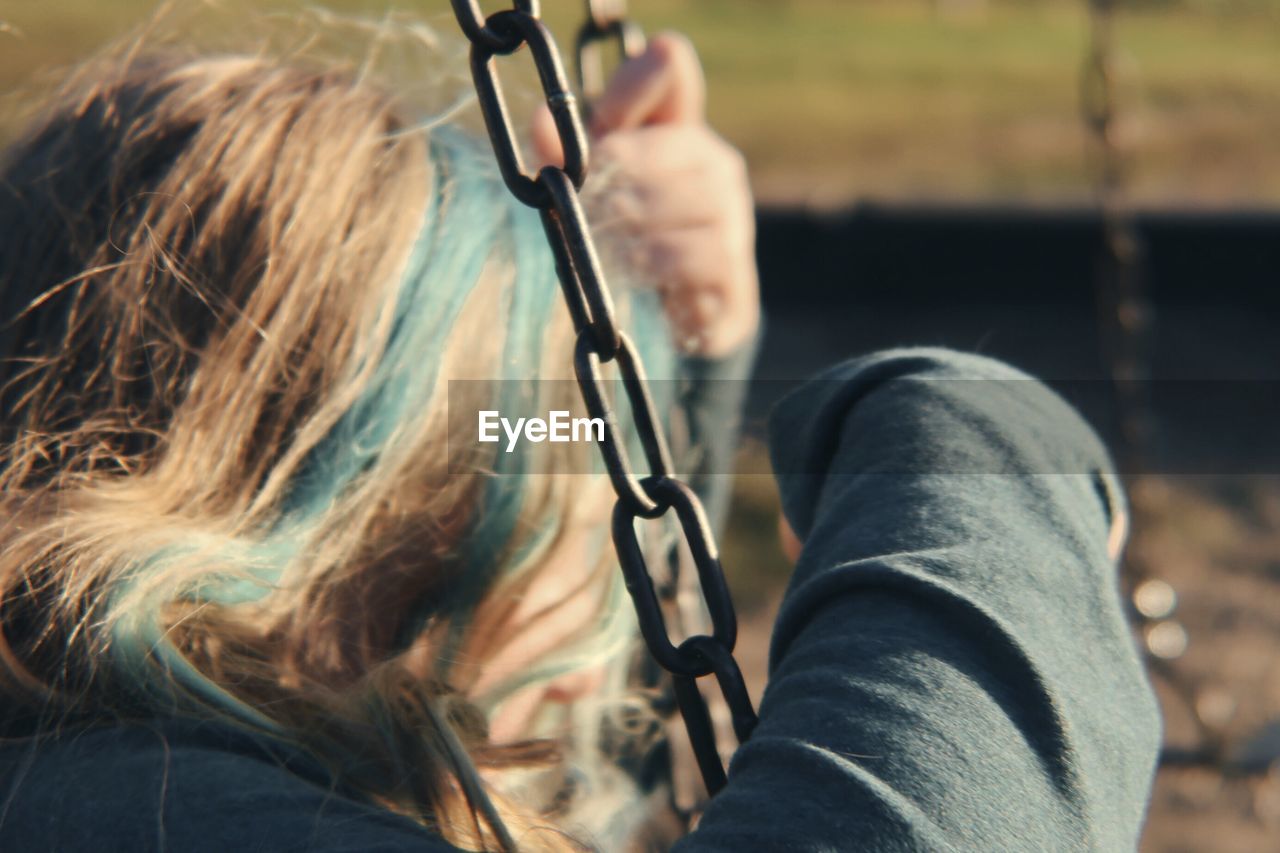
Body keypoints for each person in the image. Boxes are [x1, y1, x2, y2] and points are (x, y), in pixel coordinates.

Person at [0, 14, 1159, 853]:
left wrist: (683, 362)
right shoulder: (122, 815)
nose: (597, 586)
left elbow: (604, 774)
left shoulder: (106, 768)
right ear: (374, 565)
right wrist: (976, 442)